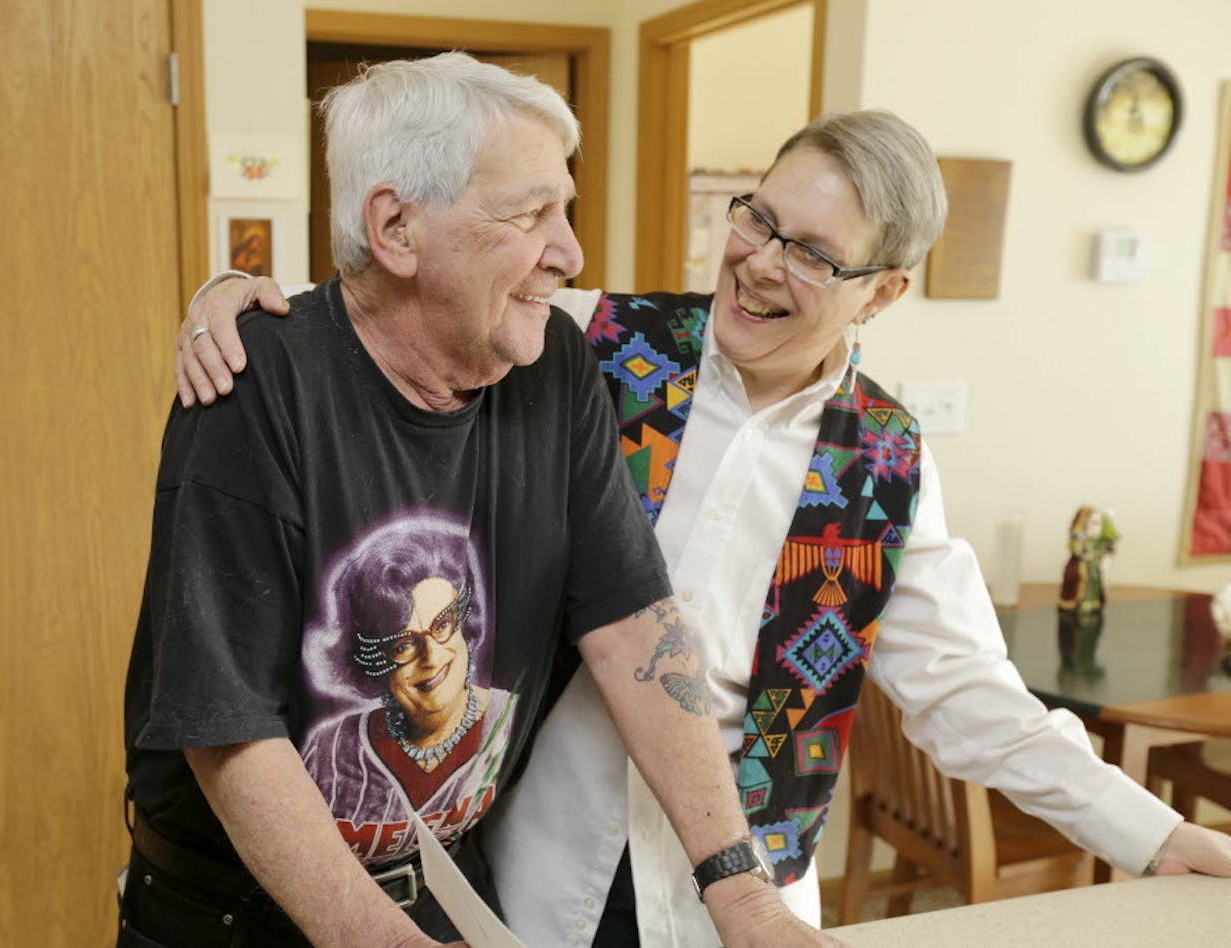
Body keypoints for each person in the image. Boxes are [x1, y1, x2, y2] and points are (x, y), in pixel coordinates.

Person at [179, 100, 1231, 943]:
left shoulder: (886, 464)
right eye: (757, 219)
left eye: (814, 254)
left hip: (744, 893)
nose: (762, 262)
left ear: (882, 294)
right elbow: (411, 298)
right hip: (538, 866)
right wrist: (240, 296)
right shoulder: (589, 345)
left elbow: (966, 697)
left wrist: (1151, 834)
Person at [123, 51, 828, 948]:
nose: (569, 252)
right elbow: (229, 734)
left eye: (563, 211)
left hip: (449, 885)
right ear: (397, 229)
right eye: (531, 214)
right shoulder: (258, 385)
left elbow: (634, 628)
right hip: (239, 915)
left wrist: (743, 894)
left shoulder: (555, 365)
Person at [299, 513, 517, 849]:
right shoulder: (329, 748)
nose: (431, 657)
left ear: (467, 623)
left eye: (443, 625)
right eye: (403, 644)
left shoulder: (505, 721)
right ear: (370, 662)